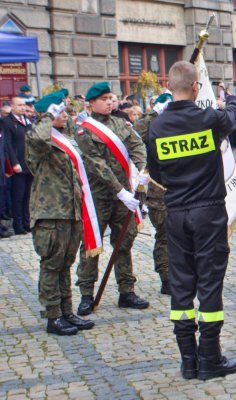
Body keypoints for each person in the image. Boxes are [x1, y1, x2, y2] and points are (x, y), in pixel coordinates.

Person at [147, 61, 236, 381]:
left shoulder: (156, 127)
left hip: (176, 213)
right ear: (195, 87)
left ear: (169, 86)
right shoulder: (207, 118)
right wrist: (230, 98)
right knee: (210, 282)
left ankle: (188, 360)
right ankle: (210, 357)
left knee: (182, 284)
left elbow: (157, 175)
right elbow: (233, 117)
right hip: (208, 211)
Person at [74, 82, 149, 315]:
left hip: (124, 196)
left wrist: (140, 170)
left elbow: (137, 145)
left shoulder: (120, 123)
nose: (110, 102)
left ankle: (126, 290)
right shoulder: (83, 129)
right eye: (104, 98)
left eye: (111, 97)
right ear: (91, 103)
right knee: (92, 245)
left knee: (124, 242)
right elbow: (96, 164)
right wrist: (120, 190)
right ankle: (86, 294)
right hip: (99, 196)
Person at [26, 91, 96, 335]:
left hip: (70, 211)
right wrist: (47, 116)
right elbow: (37, 139)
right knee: (52, 265)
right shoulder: (39, 138)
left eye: (65, 111)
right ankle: (52, 316)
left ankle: (67, 311)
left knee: (66, 263)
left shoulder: (66, 138)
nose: (65, 115)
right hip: (51, 214)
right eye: (60, 112)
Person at [133, 93, 173, 295]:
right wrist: (154, 113)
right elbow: (136, 132)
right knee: (165, 235)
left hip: (180, 187)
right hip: (158, 189)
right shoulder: (151, 125)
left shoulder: (177, 123)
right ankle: (166, 278)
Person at [3, 96, 33, 234]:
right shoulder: (7, 122)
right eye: (20, 105)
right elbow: (8, 144)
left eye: (24, 105)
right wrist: (14, 163)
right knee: (18, 196)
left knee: (28, 196)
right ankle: (18, 225)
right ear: (13, 106)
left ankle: (27, 223)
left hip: (29, 164)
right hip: (18, 164)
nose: (23, 107)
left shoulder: (27, 121)